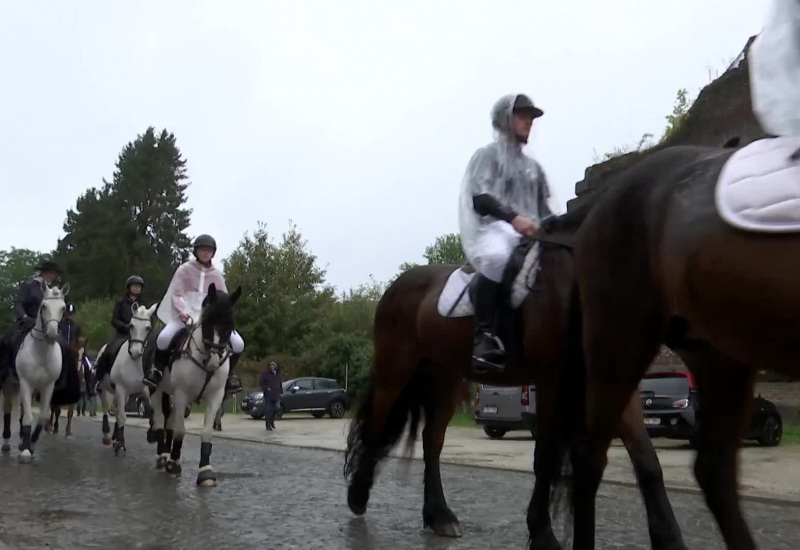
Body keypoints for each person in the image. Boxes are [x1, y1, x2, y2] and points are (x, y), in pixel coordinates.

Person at [458, 94, 552, 374]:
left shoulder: (534, 168)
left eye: (531, 118)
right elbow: (479, 197)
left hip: (530, 232)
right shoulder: (487, 155)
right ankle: (484, 336)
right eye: (522, 116)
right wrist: (514, 219)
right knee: (498, 256)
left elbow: (545, 209)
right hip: (494, 227)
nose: (528, 122)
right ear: (503, 120)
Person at [143, 234, 244, 393]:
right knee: (163, 338)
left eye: (209, 251)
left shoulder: (216, 274)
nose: (205, 253)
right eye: (203, 250)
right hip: (184, 314)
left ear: (213, 253)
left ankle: (230, 376)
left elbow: (223, 298)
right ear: (196, 251)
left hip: (209, 318)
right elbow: (176, 294)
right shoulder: (184, 270)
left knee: (239, 344)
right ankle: (157, 371)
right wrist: (183, 313)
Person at [0, 260, 61, 380]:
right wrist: (24, 317)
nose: (53, 276)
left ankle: (61, 380)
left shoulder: (54, 291)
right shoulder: (28, 286)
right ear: (44, 273)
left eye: (54, 274)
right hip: (27, 321)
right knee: (6, 340)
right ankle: (4, 372)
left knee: (64, 345)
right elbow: (18, 303)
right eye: (51, 273)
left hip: (47, 324)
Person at [94, 275, 145, 383]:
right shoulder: (120, 302)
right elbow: (115, 319)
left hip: (139, 336)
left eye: (139, 286)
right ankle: (99, 378)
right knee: (108, 351)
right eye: (134, 286)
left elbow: (150, 319)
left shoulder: (144, 304)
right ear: (129, 287)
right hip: (123, 334)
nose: (136, 288)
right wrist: (125, 326)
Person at [259, 361, 282, 431]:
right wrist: (267, 389)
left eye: (273, 365)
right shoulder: (266, 374)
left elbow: (280, 384)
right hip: (268, 395)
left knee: (276, 408)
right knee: (268, 410)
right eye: (271, 365)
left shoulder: (277, 375)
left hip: (276, 394)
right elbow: (262, 383)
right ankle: (268, 425)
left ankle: (272, 421)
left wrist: (281, 392)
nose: (272, 366)